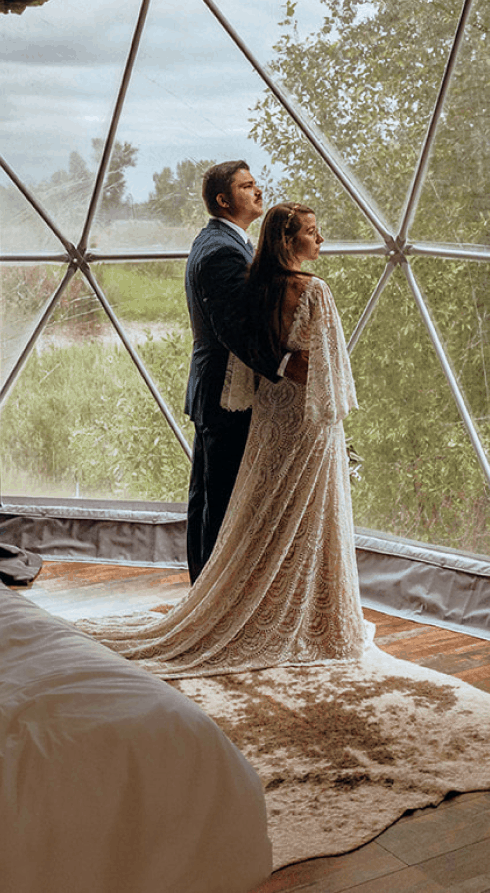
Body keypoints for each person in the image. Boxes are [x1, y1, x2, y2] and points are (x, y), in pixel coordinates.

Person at [78, 203, 368, 678]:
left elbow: (252, 346)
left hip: (270, 413)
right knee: (306, 514)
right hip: (307, 418)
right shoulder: (313, 290)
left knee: (255, 511)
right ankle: (308, 618)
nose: (322, 241)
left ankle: (234, 601)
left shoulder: (258, 286)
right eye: (313, 233)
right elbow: (328, 370)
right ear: (289, 241)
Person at [182, 161, 303, 581]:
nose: (258, 191)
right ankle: (209, 602)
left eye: (256, 183)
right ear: (223, 199)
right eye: (246, 186)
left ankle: (203, 598)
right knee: (220, 501)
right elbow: (233, 328)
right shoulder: (221, 251)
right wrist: (289, 366)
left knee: (210, 497)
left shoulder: (222, 242)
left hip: (217, 388)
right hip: (224, 392)